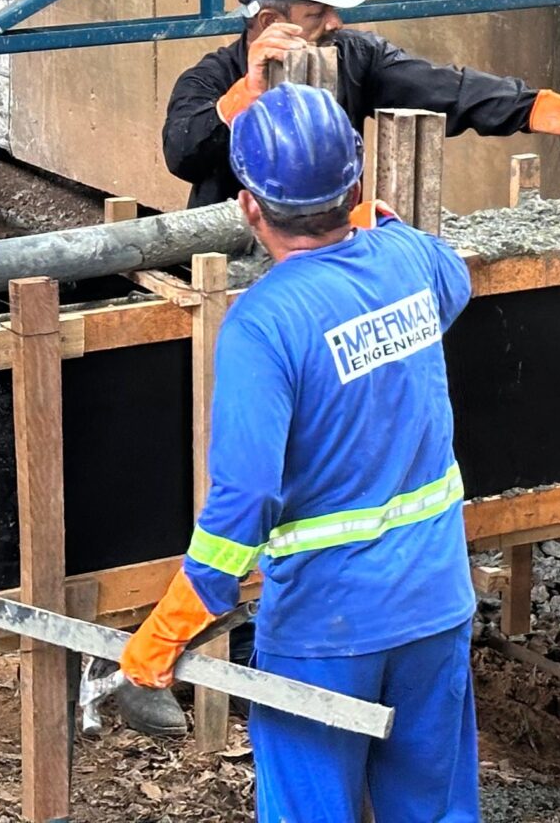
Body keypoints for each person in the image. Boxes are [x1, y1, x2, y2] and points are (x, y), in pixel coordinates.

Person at [119, 83, 483, 823]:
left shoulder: (263, 325)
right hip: (436, 605)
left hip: (326, 629)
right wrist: (382, 232)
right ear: (355, 187)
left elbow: (246, 498)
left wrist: (172, 626)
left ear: (249, 207)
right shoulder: (410, 258)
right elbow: (455, 281)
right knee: (437, 812)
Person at [162, 0, 560, 206]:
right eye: (318, 13)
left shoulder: (355, 57)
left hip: (332, 254)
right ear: (268, 20)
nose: (335, 22)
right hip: (236, 268)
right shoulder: (210, 80)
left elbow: (451, 91)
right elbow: (183, 153)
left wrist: (559, 113)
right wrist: (247, 95)